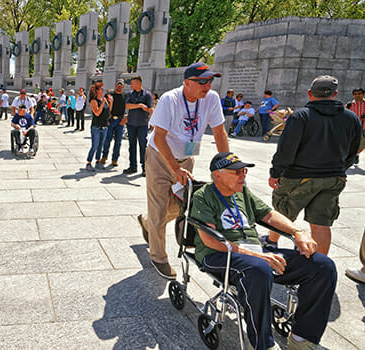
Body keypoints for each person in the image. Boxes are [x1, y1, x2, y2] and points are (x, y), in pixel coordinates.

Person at [192, 152, 337, 350]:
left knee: (322, 266)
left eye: (244, 170)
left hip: (255, 253)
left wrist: (298, 232)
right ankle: (262, 344)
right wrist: (256, 255)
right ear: (217, 175)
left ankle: (302, 339)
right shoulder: (203, 196)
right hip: (218, 254)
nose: (243, 175)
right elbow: (210, 239)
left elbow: (269, 216)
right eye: (237, 172)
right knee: (258, 269)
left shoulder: (243, 192)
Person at [138, 62, 230, 279]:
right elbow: (159, 137)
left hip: (186, 159)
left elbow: (219, 133)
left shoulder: (212, 98)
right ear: (187, 83)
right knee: (159, 207)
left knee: (182, 205)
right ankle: (159, 257)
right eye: (201, 82)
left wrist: (227, 165)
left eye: (210, 80)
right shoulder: (170, 99)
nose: (207, 85)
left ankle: (147, 222)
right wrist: (174, 167)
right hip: (160, 157)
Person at [267, 75, 362, 255]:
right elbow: (354, 149)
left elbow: (286, 149)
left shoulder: (301, 116)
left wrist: (276, 172)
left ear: (310, 93)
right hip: (333, 177)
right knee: (321, 223)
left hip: (299, 176)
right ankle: (320, 267)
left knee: (282, 214)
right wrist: (341, 168)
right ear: (335, 94)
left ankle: (271, 242)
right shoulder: (351, 118)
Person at [124, 76, 153, 176]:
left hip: (143, 124)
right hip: (131, 124)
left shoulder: (147, 94)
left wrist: (153, 122)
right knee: (132, 146)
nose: (131, 85)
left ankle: (145, 168)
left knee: (143, 146)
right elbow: (127, 106)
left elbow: (150, 108)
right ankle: (133, 166)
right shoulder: (129, 94)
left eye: (132, 83)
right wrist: (140, 105)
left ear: (138, 83)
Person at [100, 79, 127, 168]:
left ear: (123, 86)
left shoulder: (125, 96)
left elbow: (129, 107)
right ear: (115, 85)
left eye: (121, 85)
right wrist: (106, 119)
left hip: (120, 121)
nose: (119, 86)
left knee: (118, 141)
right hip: (110, 120)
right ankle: (104, 156)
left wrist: (125, 119)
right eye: (118, 84)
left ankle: (115, 159)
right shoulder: (109, 95)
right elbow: (105, 108)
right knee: (107, 140)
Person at [85, 83, 111, 172]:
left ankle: (97, 161)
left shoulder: (104, 99)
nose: (103, 90)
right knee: (95, 146)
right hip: (96, 126)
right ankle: (88, 163)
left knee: (101, 146)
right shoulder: (93, 101)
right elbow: (97, 113)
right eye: (101, 89)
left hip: (104, 126)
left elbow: (108, 110)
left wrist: (110, 102)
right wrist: (103, 102)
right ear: (97, 91)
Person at [345, 88, 365, 163]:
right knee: (351, 143)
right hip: (352, 128)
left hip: (364, 128)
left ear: (363, 94)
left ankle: (356, 154)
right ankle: (354, 155)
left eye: (359, 94)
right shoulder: (349, 105)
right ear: (353, 95)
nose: (357, 96)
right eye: (355, 94)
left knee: (362, 145)